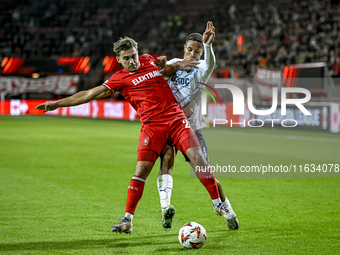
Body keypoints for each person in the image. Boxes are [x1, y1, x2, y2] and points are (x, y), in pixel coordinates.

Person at [36, 35, 238, 234]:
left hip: (177, 119)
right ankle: (128, 220)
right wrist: (57, 103)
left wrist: (174, 66)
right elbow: (89, 94)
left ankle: (218, 204)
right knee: (141, 171)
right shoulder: (119, 79)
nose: (132, 61)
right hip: (152, 127)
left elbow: (166, 69)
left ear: (138, 52)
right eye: (126, 58)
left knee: (199, 159)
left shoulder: (148, 60)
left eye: (133, 55)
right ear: (118, 60)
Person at [157, 21, 239, 230]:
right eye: (190, 50)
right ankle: (165, 207)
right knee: (166, 161)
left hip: (192, 127)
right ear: (184, 49)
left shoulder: (202, 68)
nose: (194, 54)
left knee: (205, 170)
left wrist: (208, 46)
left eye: (198, 51)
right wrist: (173, 66)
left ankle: (223, 206)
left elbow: (210, 64)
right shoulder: (175, 63)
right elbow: (158, 75)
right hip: (169, 125)